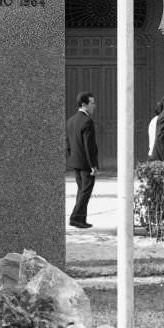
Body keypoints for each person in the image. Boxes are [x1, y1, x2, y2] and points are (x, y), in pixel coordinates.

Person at [65, 93, 98, 229]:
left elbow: (67, 143)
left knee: (81, 190)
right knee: (86, 191)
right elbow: (88, 146)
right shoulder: (87, 121)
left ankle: (81, 220)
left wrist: (71, 157)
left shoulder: (71, 120)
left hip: (75, 162)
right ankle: (75, 218)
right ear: (84, 104)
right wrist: (93, 165)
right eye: (92, 103)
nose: (94, 106)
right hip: (85, 163)